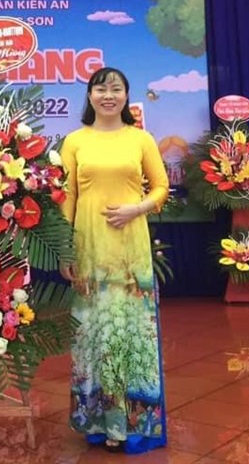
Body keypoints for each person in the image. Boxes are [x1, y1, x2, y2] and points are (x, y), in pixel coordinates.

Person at [58, 66, 169, 455]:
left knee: (128, 332)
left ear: (126, 96)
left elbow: (161, 187)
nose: (108, 95)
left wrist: (135, 208)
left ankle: (131, 424)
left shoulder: (141, 139)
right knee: (95, 332)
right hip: (89, 245)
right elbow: (67, 196)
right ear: (90, 96)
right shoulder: (75, 141)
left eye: (116, 89)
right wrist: (65, 248)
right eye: (101, 89)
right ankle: (100, 420)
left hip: (129, 248)